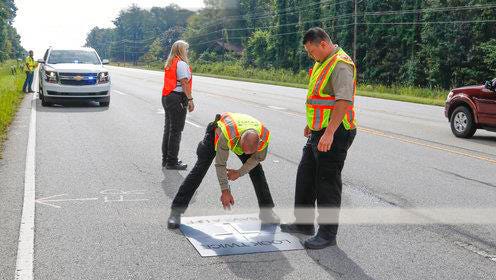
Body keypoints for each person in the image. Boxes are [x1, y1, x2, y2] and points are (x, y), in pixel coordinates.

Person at [280, 27, 357, 249]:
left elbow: (343, 101)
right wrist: (311, 124)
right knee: (305, 176)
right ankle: (304, 224)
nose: (310, 55)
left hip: (335, 132)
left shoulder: (340, 64)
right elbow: (319, 98)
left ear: (323, 44)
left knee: (327, 183)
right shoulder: (321, 62)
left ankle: (327, 234)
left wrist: (329, 132)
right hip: (318, 130)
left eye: (311, 50)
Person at [167, 112, 279, 229]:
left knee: (257, 171)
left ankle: (267, 213)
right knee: (200, 169)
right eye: (242, 149)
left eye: (248, 152)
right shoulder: (228, 134)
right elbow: (220, 164)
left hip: (244, 137)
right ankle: (176, 212)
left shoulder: (264, 136)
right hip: (217, 134)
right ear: (240, 140)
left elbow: (257, 158)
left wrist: (239, 172)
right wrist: (225, 191)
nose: (244, 154)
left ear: (259, 144)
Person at [161, 40, 194, 170]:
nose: (187, 51)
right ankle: (172, 162)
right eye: (186, 49)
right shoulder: (181, 64)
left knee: (168, 129)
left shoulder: (171, 63)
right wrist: (190, 99)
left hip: (167, 96)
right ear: (181, 50)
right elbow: (184, 83)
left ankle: (166, 159)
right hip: (176, 99)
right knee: (176, 131)